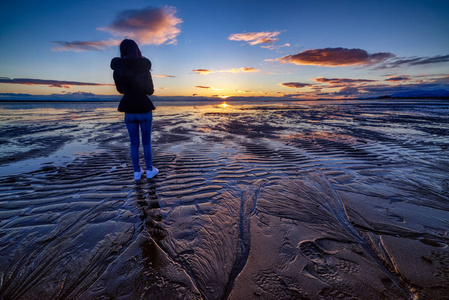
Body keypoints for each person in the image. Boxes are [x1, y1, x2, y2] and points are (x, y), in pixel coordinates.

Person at [111, 39, 158, 180]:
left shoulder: (118, 68)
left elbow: (120, 90)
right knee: (147, 142)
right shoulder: (144, 66)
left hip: (129, 108)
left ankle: (137, 172)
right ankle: (149, 170)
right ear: (136, 49)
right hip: (144, 107)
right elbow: (150, 91)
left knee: (134, 143)